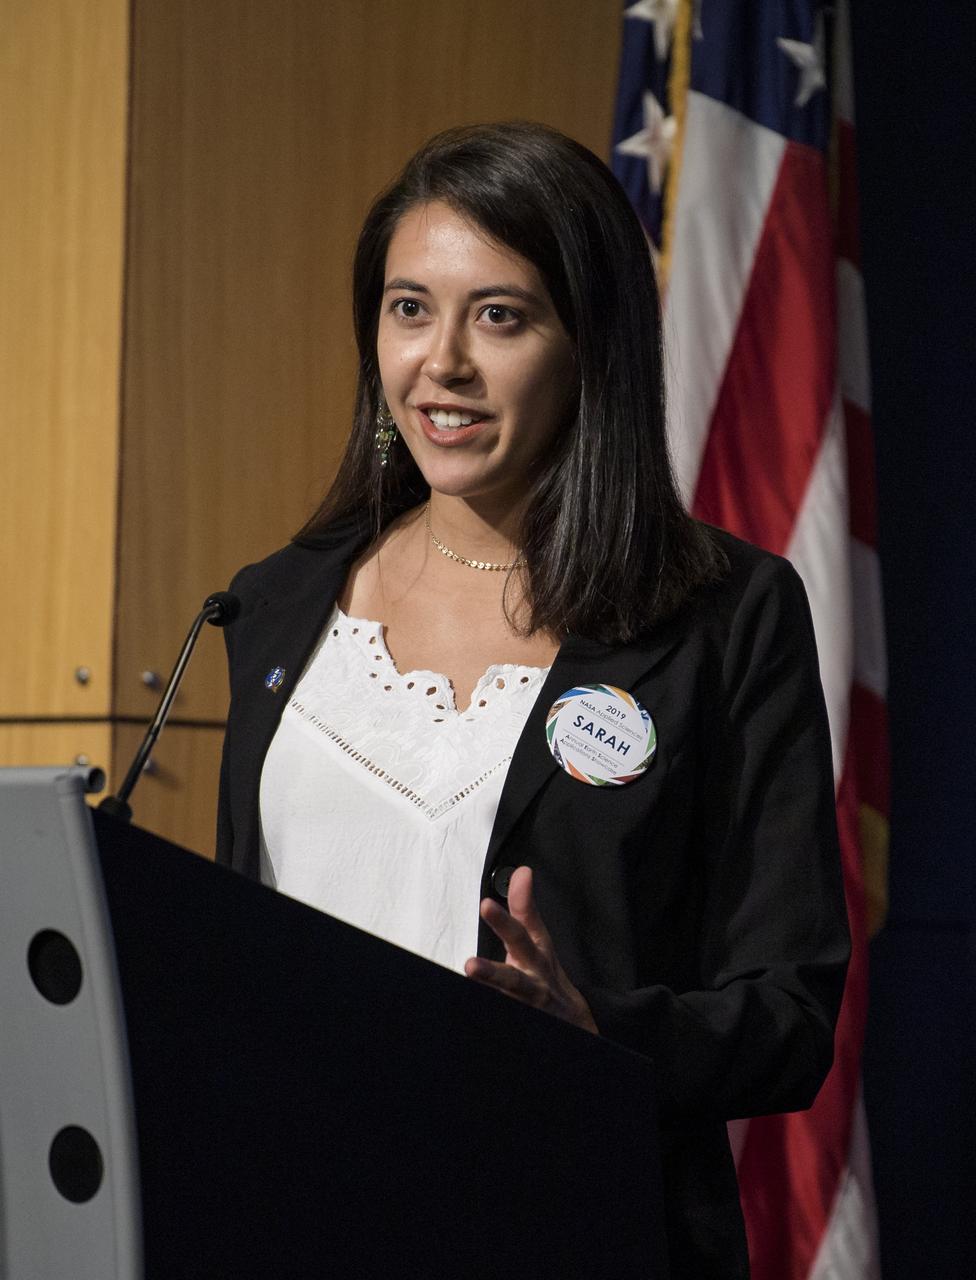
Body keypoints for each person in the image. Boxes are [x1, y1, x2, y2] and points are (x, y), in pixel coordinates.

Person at [216, 122, 850, 1277]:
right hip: (293, 1214)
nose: (441, 362)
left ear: (588, 344)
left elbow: (789, 1009)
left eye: (498, 316)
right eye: (410, 308)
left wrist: (596, 1028)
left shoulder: (719, 614)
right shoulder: (271, 603)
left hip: (571, 1223)